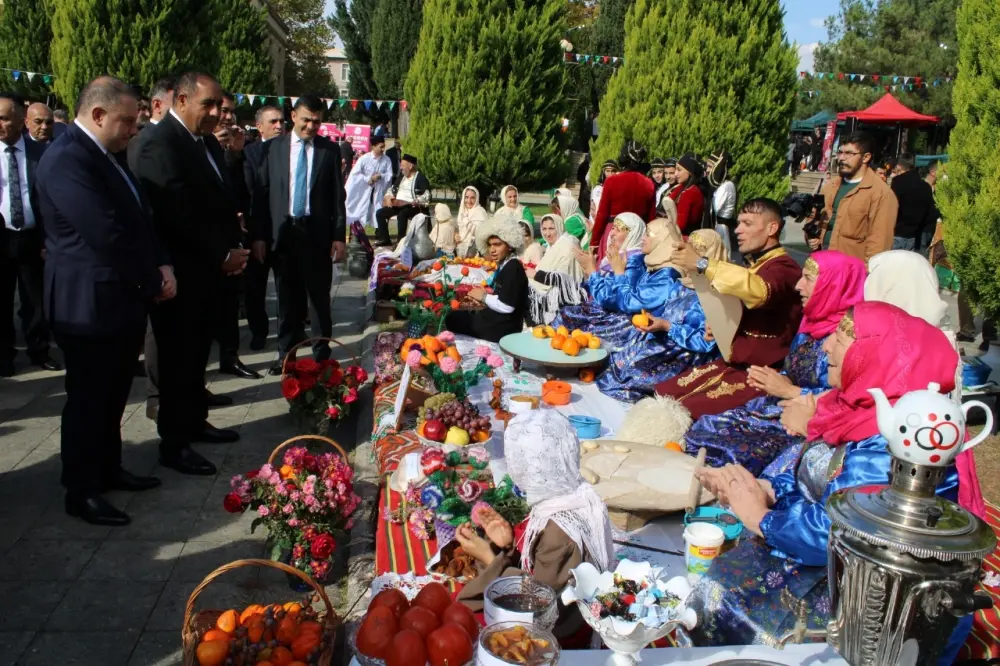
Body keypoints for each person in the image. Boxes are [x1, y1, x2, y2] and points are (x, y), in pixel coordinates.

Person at [688, 302, 977, 663]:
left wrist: (761, 518)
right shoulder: (854, 410)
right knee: (712, 581)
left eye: (843, 337)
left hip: (863, 598)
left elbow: (843, 533)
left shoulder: (896, 441)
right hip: (820, 556)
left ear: (878, 353)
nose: (826, 346)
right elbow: (820, 480)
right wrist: (769, 490)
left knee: (722, 601)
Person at [36, 76, 170, 525]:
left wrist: (159, 265)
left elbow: (138, 217)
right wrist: (153, 279)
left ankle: (108, 468)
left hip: (117, 298)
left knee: (113, 394)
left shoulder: (105, 154)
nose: (134, 129)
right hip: (86, 303)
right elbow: (106, 234)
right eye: (127, 120)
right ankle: (82, 488)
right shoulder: (67, 158)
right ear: (98, 114)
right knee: (89, 398)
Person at [133, 72, 247, 477]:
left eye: (220, 105)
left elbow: (215, 200)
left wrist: (231, 246)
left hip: (207, 274)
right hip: (179, 275)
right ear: (181, 100)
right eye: (209, 105)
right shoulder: (158, 142)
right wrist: (221, 253)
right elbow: (172, 215)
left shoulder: (201, 143)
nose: (217, 113)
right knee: (178, 360)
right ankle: (174, 442)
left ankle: (195, 422)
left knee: (197, 354)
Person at [682, 251, 867, 475]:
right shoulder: (811, 321)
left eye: (808, 278)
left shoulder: (850, 337)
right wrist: (777, 379)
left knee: (734, 452)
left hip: (808, 420)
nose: (799, 285)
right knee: (706, 426)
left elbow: (846, 396)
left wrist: (791, 391)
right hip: (778, 404)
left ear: (834, 284)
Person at [456, 410, 614, 644]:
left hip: (562, 625)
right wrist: (508, 545)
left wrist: (490, 559)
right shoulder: (576, 494)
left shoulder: (559, 531)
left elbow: (540, 601)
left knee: (462, 621)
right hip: (563, 601)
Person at [654, 199, 803, 419]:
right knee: (663, 395)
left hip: (761, 374)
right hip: (732, 363)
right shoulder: (756, 264)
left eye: (747, 223)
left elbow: (759, 291)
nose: (738, 230)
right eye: (739, 222)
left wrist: (704, 264)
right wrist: (722, 325)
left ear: (772, 228)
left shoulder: (785, 268)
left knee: (684, 414)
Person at [251, 95, 346, 377]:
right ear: (293, 116)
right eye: (305, 119)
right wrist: (258, 236)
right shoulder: (273, 149)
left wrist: (339, 237)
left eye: (316, 121)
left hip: (316, 234)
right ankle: (286, 357)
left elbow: (336, 198)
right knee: (287, 299)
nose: (310, 126)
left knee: (318, 300)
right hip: (284, 233)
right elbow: (261, 195)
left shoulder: (329, 151)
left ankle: (321, 357)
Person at [602, 228, 728, 402]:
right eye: (688, 248)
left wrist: (667, 326)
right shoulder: (682, 283)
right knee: (616, 363)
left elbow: (707, 342)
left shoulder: (715, 295)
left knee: (633, 376)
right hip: (664, 339)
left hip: (688, 356)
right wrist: (653, 320)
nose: (688, 255)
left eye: (698, 251)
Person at [0, 93, 59, 376]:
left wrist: (50, 239)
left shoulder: (40, 153)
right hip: (2, 236)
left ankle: (39, 351)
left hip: (33, 237)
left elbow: (49, 200)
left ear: (19, 121)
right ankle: (4, 355)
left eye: (4, 118)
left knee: (35, 300)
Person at [556, 215, 683, 341]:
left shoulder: (637, 263)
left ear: (632, 234)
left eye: (619, 229)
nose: (612, 233)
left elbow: (619, 301)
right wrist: (589, 271)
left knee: (569, 321)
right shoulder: (650, 264)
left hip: (633, 326)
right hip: (623, 317)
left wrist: (595, 273)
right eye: (613, 228)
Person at [815, 132, 898, 262]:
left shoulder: (881, 194)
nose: (842, 158)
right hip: (821, 264)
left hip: (851, 272)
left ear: (866, 157)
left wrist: (865, 274)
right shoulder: (831, 186)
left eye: (849, 153)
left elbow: (879, 244)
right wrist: (811, 237)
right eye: (840, 152)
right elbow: (815, 219)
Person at [445, 216, 529, 342]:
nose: (492, 250)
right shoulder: (506, 265)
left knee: (453, 319)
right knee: (455, 316)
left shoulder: (513, 267)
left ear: (510, 245)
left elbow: (507, 306)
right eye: (489, 245)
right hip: (498, 322)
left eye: (497, 245)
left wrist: (483, 297)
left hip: (503, 328)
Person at [242, 105, 285, 350]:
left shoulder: (291, 150)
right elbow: (253, 192)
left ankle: (286, 333)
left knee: (286, 287)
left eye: (281, 121)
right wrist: (257, 235)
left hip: (286, 232)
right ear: (259, 127)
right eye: (273, 122)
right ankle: (259, 331)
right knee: (256, 288)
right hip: (260, 231)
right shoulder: (251, 153)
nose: (279, 126)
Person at [592, 140, 655, 261]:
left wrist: (594, 242)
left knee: (608, 269)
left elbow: (602, 214)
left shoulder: (612, 181)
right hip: (637, 233)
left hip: (614, 229)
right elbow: (651, 218)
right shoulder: (648, 183)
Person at [525, 214, 587, 325]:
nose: (547, 234)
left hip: (561, 303)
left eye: (551, 228)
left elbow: (561, 278)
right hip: (548, 297)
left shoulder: (567, 245)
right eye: (544, 229)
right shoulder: (552, 247)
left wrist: (535, 275)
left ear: (559, 227)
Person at [375, 154, 430, 246]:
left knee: (402, 215)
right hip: (398, 205)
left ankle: (401, 242)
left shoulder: (420, 178)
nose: (401, 168)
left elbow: (427, 195)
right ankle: (385, 239)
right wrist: (388, 196)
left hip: (412, 206)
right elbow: (392, 190)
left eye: (403, 165)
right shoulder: (401, 178)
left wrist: (417, 200)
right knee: (380, 213)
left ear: (410, 166)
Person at [890, 153, 936, 252]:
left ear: (899, 166)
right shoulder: (925, 186)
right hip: (914, 236)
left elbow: (892, 208)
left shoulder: (898, 182)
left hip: (896, 233)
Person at [344, 135, 392, 228]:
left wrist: (380, 176)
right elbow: (355, 174)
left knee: (377, 210)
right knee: (360, 209)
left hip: (378, 190)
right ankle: (356, 232)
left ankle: (379, 233)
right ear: (373, 146)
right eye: (380, 147)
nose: (382, 149)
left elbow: (389, 175)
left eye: (383, 147)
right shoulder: (364, 159)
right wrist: (368, 179)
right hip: (364, 190)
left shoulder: (386, 160)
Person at [706, 151, 737, 254]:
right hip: (715, 226)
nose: (707, 170)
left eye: (710, 167)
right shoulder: (718, 185)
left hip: (720, 228)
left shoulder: (727, 186)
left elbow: (715, 208)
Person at [669, 153, 706, 233]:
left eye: (679, 170)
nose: (675, 174)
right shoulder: (682, 187)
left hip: (686, 237)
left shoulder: (691, 193)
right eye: (676, 169)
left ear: (690, 172)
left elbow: (680, 225)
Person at [454, 185, 488, 257]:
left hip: (474, 251)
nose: (469, 201)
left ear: (477, 198)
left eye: (472, 198)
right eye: (466, 197)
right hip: (460, 248)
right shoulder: (462, 210)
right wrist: (456, 235)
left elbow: (480, 232)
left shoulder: (480, 212)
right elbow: (459, 227)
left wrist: (466, 220)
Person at [588, 159, 618, 231]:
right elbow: (595, 209)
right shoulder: (598, 189)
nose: (610, 174)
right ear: (603, 172)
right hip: (596, 224)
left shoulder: (618, 188)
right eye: (607, 171)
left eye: (613, 171)